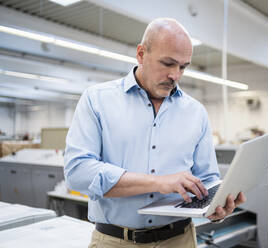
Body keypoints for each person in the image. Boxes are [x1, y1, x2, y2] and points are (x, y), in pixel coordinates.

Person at [64, 17, 246, 248]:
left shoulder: (196, 112)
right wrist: (158, 182)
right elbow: (78, 173)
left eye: (183, 67)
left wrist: (218, 205)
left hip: (179, 240)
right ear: (141, 54)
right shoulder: (97, 100)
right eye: (168, 63)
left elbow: (207, 178)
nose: (176, 75)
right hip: (116, 241)